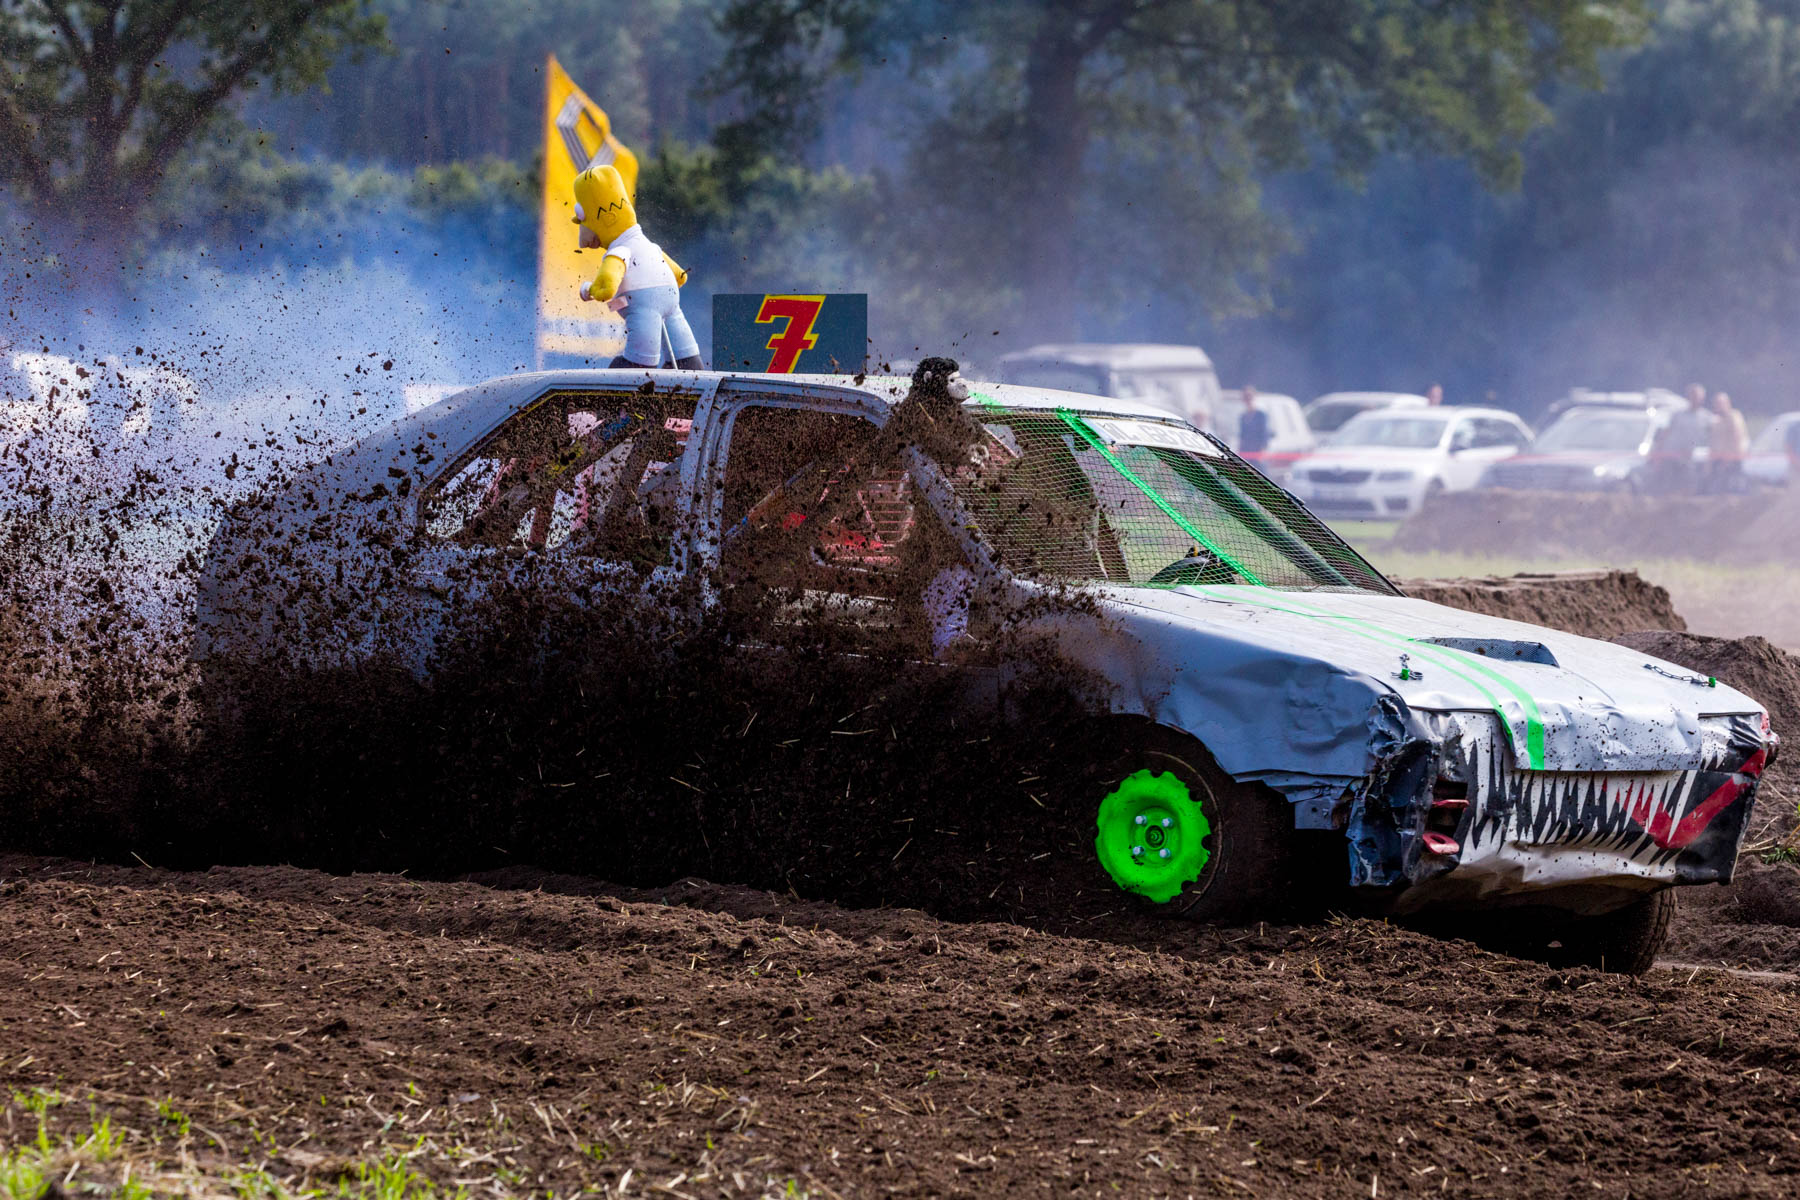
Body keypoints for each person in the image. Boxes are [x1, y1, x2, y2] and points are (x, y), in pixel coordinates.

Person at [571, 164, 704, 370]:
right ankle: (689, 365)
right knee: (685, 357)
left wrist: (589, 290)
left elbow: (606, 288)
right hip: (671, 300)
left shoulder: (620, 251)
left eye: (583, 222)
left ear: (605, 218)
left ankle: (631, 376)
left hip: (645, 308)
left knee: (638, 363)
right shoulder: (648, 245)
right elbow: (680, 276)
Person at [1651, 383, 1715, 494]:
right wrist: (1658, 452)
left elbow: (1713, 437)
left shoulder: (1707, 418)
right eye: (1693, 395)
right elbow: (1665, 433)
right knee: (1667, 486)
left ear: (1702, 398)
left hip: (1690, 458)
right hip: (1671, 455)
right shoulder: (1677, 415)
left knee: (1688, 486)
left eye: (1698, 396)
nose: (1695, 399)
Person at [1707, 391, 1749, 493]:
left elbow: (1737, 437)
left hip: (1732, 459)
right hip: (1719, 458)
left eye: (1720, 403)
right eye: (1716, 404)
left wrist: (1730, 457)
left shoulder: (1733, 416)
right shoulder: (1716, 420)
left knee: (1734, 489)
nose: (1717, 406)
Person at [1236, 385, 1271, 456]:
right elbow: (1242, 435)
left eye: (1249, 396)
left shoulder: (1261, 415)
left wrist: (1263, 448)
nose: (1248, 399)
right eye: (1245, 397)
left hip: (1257, 450)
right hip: (1245, 450)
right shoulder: (1243, 417)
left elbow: (1264, 432)